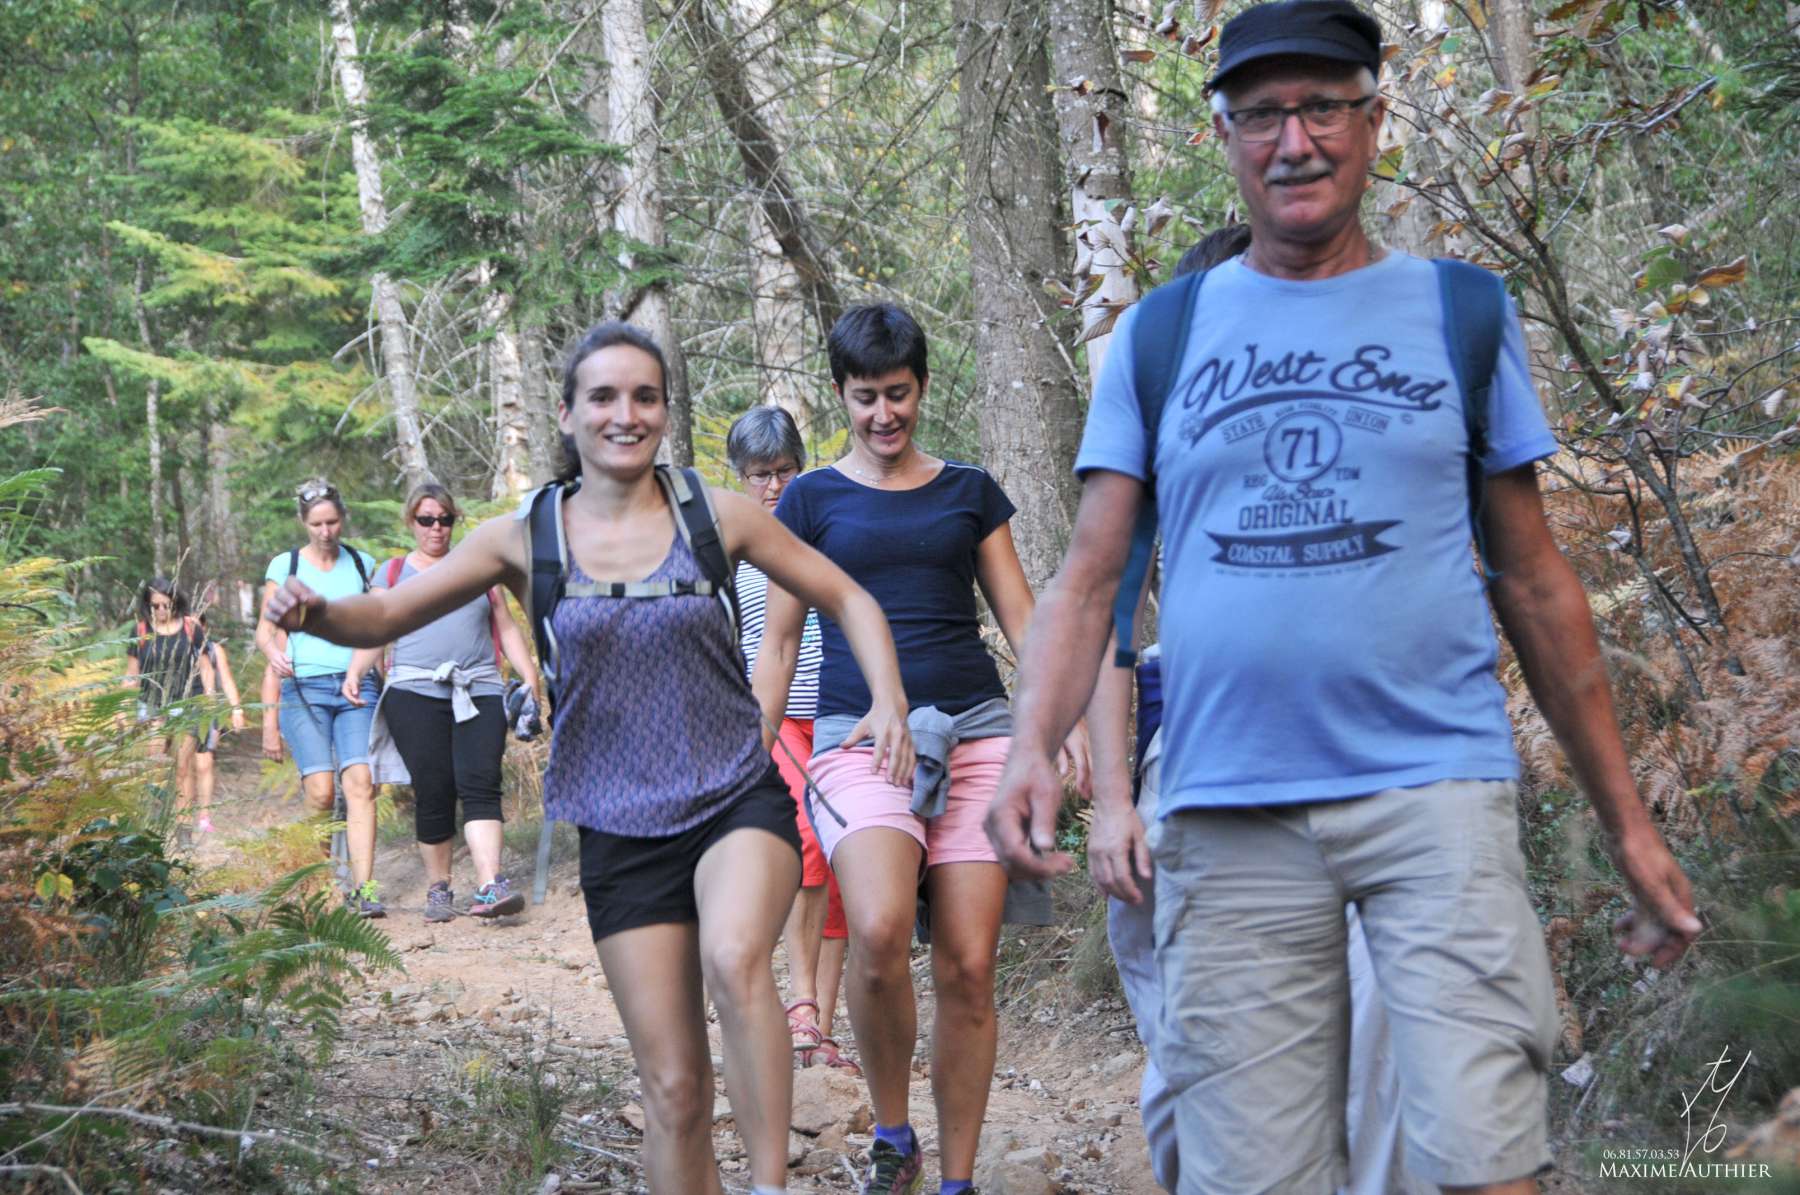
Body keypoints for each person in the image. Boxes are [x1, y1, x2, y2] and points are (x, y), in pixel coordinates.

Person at [986, 4, 1702, 1193]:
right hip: (1227, 813)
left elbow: (1536, 581)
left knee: (1487, 1160)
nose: (1295, 140)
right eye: (1263, 114)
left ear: (1374, 122)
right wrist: (1031, 748)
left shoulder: (1462, 312)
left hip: (1436, 794)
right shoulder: (1160, 335)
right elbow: (1091, 577)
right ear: (1223, 135)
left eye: (1323, 106)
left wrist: (1628, 825)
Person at [263, 321, 914, 1195]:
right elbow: (383, 616)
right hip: (617, 823)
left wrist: (887, 696)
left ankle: (769, 1186)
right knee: (675, 1090)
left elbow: (849, 597)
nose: (625, 413)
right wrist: (313, 613)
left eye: (645, 396)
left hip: (732, 795)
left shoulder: (714, 513)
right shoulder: (524, 536)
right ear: (568, 414)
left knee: (734, 957)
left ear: (665, 412)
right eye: (603, 396)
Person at [1086, 223, 1427, 1195]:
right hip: (1198, 763)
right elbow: (1103, 618)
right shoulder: (1154, 448)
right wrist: (1110, 799)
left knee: (1378, 1035)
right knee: (1196, 1071)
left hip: (1366, 765)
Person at [754, 303, 1090, 1195]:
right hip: (858, 737)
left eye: (898, 394)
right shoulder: (808, 498)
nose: (883, 414)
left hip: (978, 729)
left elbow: (1023, 619)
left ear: (923, 387)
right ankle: (894, 1133)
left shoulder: (969, 490)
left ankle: (958, 1179)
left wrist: (1061, 722)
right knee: (876, 927)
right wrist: (751, 752)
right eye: (866, 397)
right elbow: (779, 645)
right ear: (841, 394)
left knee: (970, 963)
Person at [725, 407, 858, 1073]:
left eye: (784, 470)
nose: (774, 485)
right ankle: (801, 1001)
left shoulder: (826, 532)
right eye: (760, 474)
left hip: (838, 716)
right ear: (739, 477)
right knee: (805, 841)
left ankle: (821, 1028)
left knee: (842, 859)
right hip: (774, 720)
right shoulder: (731, 551)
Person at [347, 482, 542, 922]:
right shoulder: (393, 573)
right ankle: (439, 887)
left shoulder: (479, 569)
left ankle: (490, 884)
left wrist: (529, 675)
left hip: (479, 688)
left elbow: (505, 626)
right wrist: (356, 671)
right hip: (414, 692)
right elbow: (376, 626)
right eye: (426, 520)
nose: (436, 528)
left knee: (481, 781)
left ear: (454, 521)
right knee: (434, 788)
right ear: (411, 522)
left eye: (444, 519)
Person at [253, 481, 383, 916]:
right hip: (304, 688)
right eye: (316, 524)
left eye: (332, 522)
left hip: (356, 686)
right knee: (322, 792)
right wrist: (273, 654)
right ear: (303, 523)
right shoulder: (286, 566)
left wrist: (360, 671)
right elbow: (265, 630)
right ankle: (321, 885)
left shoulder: (363, 564)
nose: (326, 532)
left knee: (361, 783)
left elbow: (376, 627)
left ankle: (365, 889)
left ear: (342, 518)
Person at [125, 577, 217, 827]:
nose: (162, 610)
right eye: (155, 606)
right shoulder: (140, 631)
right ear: (148, 606)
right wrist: (121, 709)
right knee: (154, 765)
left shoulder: (191, 628)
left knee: (182, 766)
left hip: (187, 703)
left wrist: (209, 695)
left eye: (166, 605)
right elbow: (131, 674)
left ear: (175, 603)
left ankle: (183, 826)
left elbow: (205, 666)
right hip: (152, 704)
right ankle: (155, 820)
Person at [190, 610, 249, 834]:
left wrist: (236, 709)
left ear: (204, 628)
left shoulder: (214, 650)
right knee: (183, 765)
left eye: (197, 625)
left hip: (207, 712)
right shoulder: (171, 646)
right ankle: (182, 811)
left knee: (205, 763)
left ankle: (204, 816)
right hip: (178, 712)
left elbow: (226, 680)